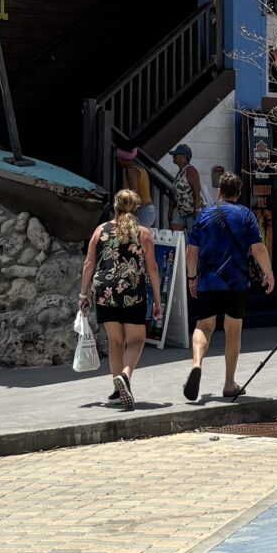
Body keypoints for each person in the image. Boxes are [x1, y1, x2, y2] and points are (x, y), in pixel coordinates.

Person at [184, 171, 272, 404]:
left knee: (204, 325)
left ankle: (196, 364)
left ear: (219, 192)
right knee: (233, 331)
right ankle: (229, 384)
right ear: (239, 192)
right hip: (236, 282)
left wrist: (191, 278)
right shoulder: (245, 215)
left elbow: (191, 252)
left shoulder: (204, 215)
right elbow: (258, 249)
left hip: (208, 281)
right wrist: (269, 273)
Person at [77, 189, 161, 411]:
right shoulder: (143, 233)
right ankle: (125, 376)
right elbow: (152, 268)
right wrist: (159, 301)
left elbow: (88, 264)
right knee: (136, 339)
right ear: (137, 209)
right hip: (132, 291)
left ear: (115, 207)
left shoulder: (100, 231)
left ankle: (116, 390)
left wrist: (83, 294)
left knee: (115, 340)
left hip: (104, 291)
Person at [165, 144, 203, 231]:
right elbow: (178, 194)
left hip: (192, 211)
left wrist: (196, 210)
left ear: (183, 157)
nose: (173, 156)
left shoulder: (190, 170)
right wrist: (171, 209)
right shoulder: (180, 172)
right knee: (173, 231)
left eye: (176, 154)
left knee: (192, 237)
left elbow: (197, 190)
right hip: (182, 212)